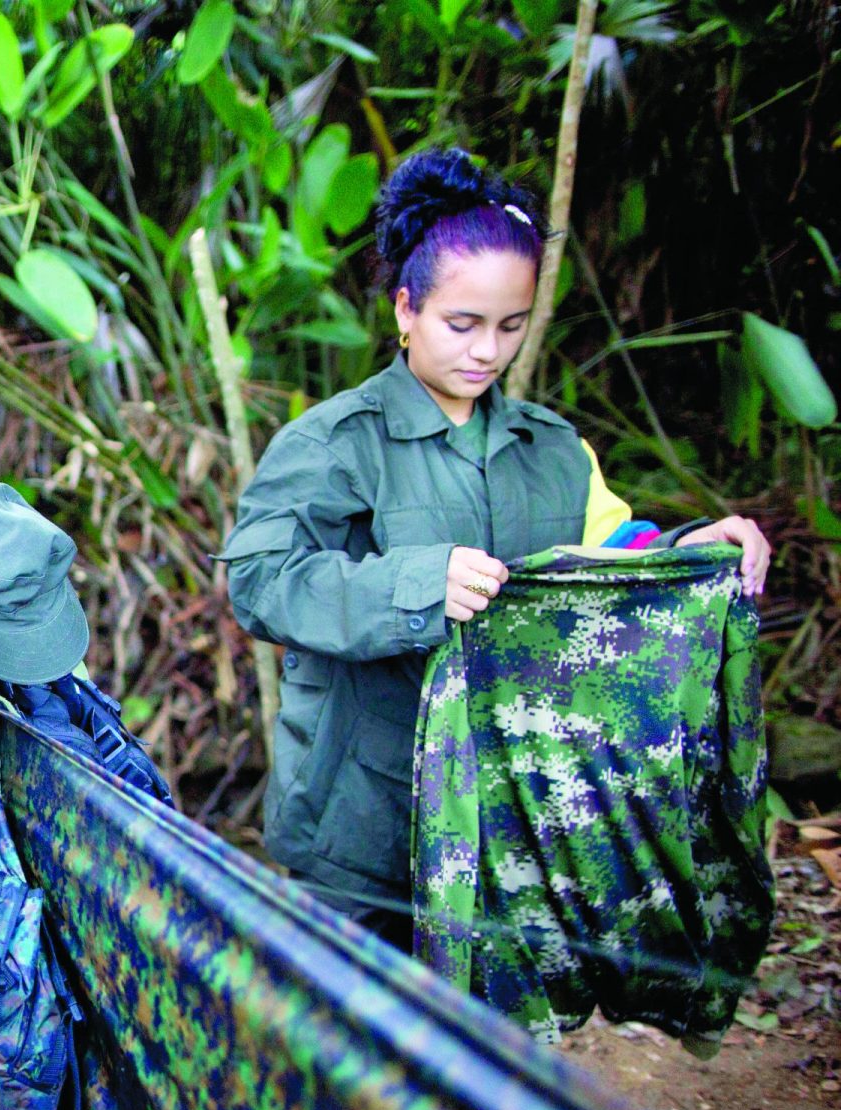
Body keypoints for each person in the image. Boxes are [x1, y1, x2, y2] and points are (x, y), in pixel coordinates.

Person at [218, 149, 770, 949]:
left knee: (476, 1047)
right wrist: (417, 584)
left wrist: (693, 554)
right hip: (361, 821)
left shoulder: (553, 450)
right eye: (462, 324)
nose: (486, 351)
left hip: (509, 820)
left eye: (510, 327)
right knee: (349, 1046)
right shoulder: (335, 444)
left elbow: (607, 560)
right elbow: (261, 582)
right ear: (405, 309)